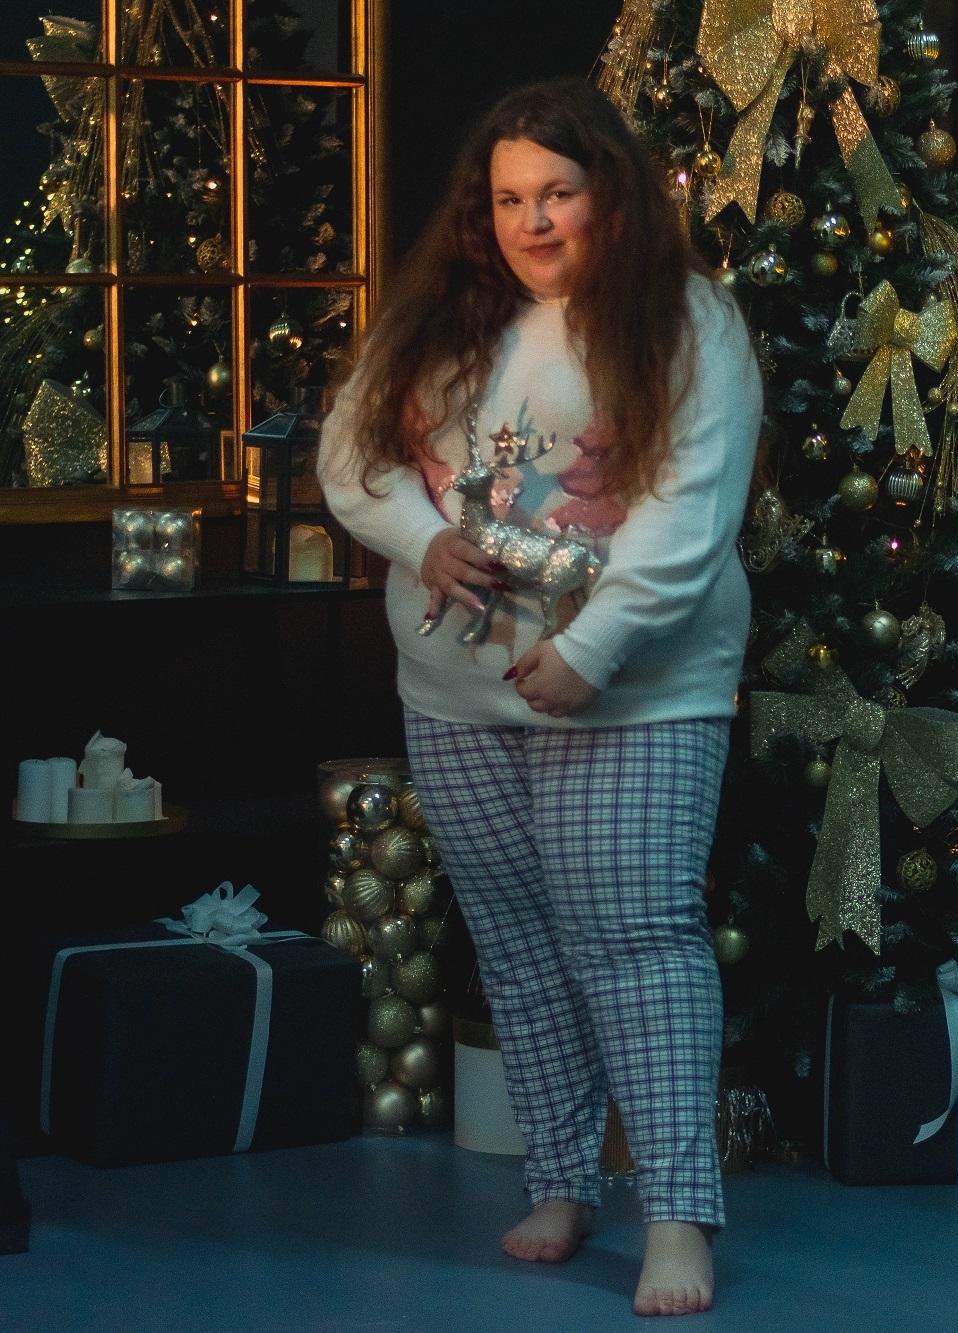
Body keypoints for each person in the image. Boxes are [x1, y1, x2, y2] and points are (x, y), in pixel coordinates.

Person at [318, 77, 761, 1318]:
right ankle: (561, 1183)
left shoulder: (687, 319)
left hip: (636, 694)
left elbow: (690, 511)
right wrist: (421, 539)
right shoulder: (440, 318)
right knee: (516, 952)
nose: (534, 222)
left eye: (557, 193)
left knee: (638, 944)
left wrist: (596, 647)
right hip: (454, 692)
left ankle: (675, 1215)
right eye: (510, 198)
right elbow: (351, 462)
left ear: (610, 194)